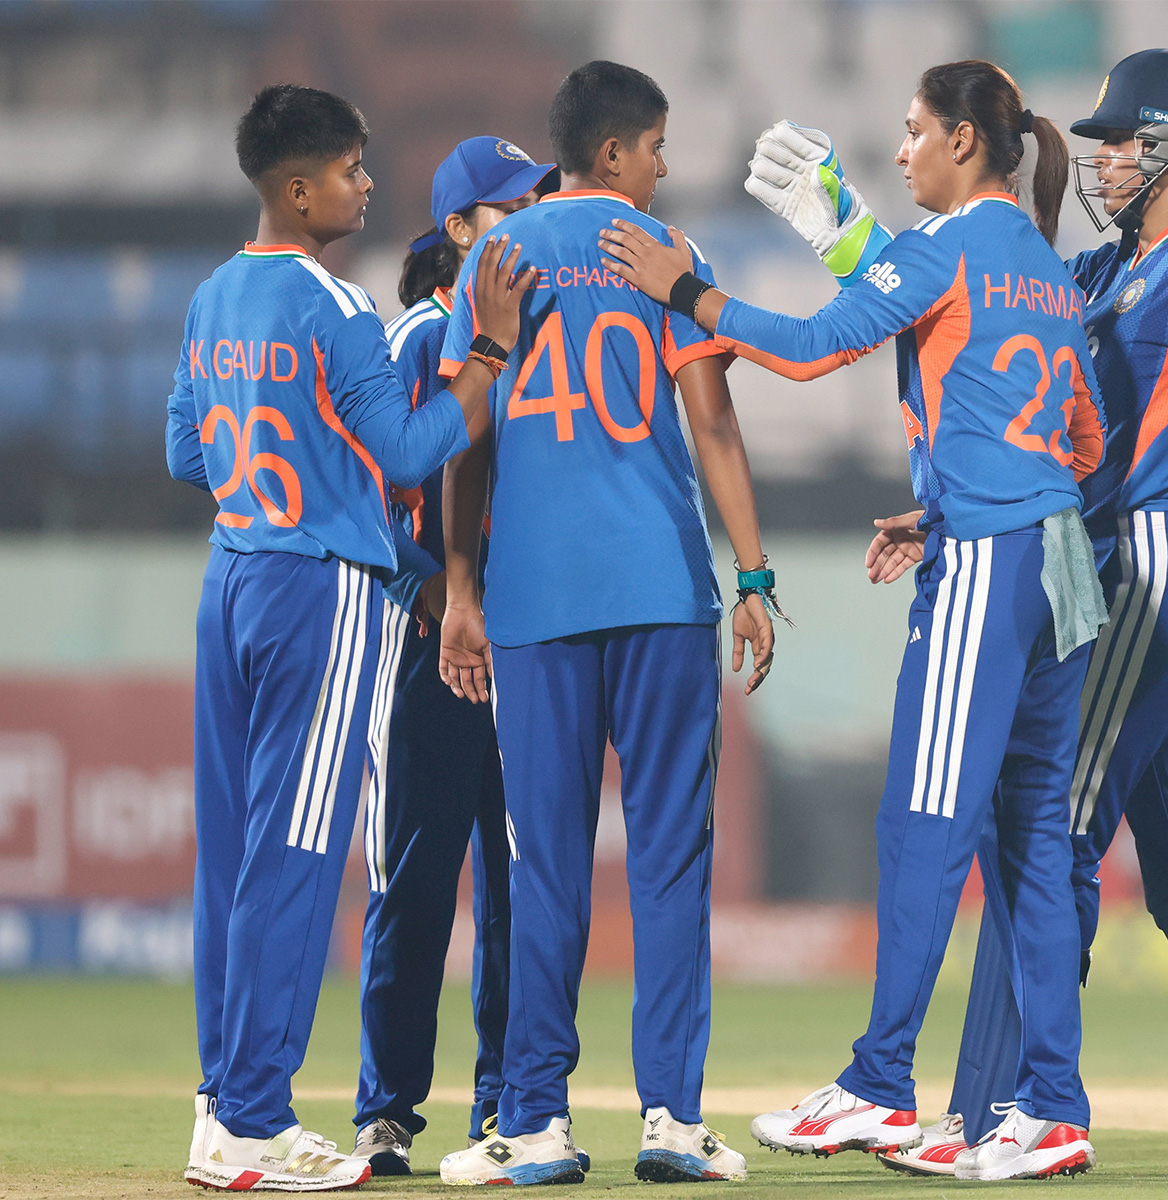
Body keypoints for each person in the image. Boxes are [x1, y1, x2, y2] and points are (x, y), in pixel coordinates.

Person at [766, 48, 1168, 1179]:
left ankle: (1001, 1111)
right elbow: (968, 305)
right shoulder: (1114, 265)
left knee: (1045, 830)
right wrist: (846, 235)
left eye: (1123, 142)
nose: (1101, 160)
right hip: (1133, 560)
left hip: (1155, 561)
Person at [601, 60, 1109, 1183]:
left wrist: (687, 293)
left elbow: (806, 348)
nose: (902, 150)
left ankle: (880, 1085)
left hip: (990, 563)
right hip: (1060, 564)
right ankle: (1053, 1109)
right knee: (1031, 838)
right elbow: (1083, 443)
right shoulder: (1047, 267)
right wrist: (956, 504)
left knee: (921, 823)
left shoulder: (943, 249)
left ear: (965, 142)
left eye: (916, 129)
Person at [165, 84, 530, 1192]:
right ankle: (257, 1124)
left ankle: (219, 1108)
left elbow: (187, 453)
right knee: (293, 856)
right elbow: (414, 452)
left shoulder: (215, 294)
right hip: (317, 591)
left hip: (231, 572)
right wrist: (488, 355)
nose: (367, 186)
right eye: (350, 169)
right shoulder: (337, 305)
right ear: (297, 188)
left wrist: (281, 452)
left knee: (232, 859)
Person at [429, 60, 773, 1186]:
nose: (665, 166)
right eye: (658, 147)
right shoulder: (660, 253)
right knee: (671, 861)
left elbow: (465, 439)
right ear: (616, 153)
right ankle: (672, 1121)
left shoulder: (497, 258)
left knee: (545, 868)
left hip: (535, 600)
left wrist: (463, 591)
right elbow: (713, 426)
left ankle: (535, 1123)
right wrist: (755, 574)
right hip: (661, 591)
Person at [350, 136, 560, 1177]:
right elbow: (362, 489)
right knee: (416, 883)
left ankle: (505, 1104)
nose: (532, 221)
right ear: (461, 227)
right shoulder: (417, 337)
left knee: (521, 888)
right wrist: (428, 588)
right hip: (428, 651)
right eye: (513, 208)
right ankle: (386, 1110)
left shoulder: (546, 334)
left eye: (539, 203)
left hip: (525, 647)